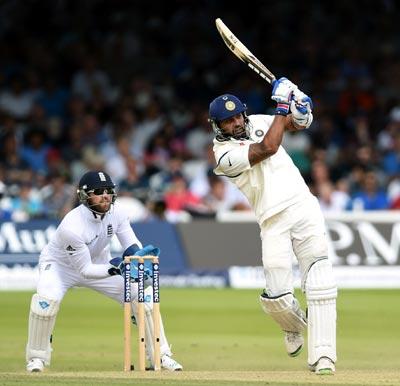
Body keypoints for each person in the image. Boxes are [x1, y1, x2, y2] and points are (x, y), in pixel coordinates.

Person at [209, 78, 337, 375]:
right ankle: (293, 327)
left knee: (320, 281)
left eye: (239, 115)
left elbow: (293, 125)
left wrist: (302, 110)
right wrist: (281, 105)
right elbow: (268, 146)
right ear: (217, 126)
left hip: (303, 205)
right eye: (229, 121)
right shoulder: (222, 156)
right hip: (272, 219)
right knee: (278, 296)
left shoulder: (258, 120)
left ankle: (324, 357)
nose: (237, 122)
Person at [26, 170, 183, 372]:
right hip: (60, 267)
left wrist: (137, 258)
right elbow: (84, 270)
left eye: (108, 190)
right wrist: (117, 267)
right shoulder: (71, 226)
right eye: (98, 191)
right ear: (84, 195)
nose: (105, 195)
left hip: (100, 263)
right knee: (45, 302)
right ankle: (37, 358)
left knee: (142, 297)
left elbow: (131, 242)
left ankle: (160, 356)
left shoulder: (116, 212)